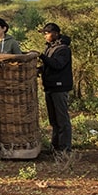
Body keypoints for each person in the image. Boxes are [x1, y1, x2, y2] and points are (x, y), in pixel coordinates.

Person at [38, 21, 73, 155]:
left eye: (47, 33)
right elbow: (49, 65)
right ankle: (55, 147)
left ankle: (65, 149)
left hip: (59, 88)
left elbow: (57, 65)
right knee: (54, 120)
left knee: (62, 119)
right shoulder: (50, 47)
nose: (45, 36)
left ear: (56, 34)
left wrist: (41, 56)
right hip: (50, 87)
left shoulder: (63, 49)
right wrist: (39, 69)